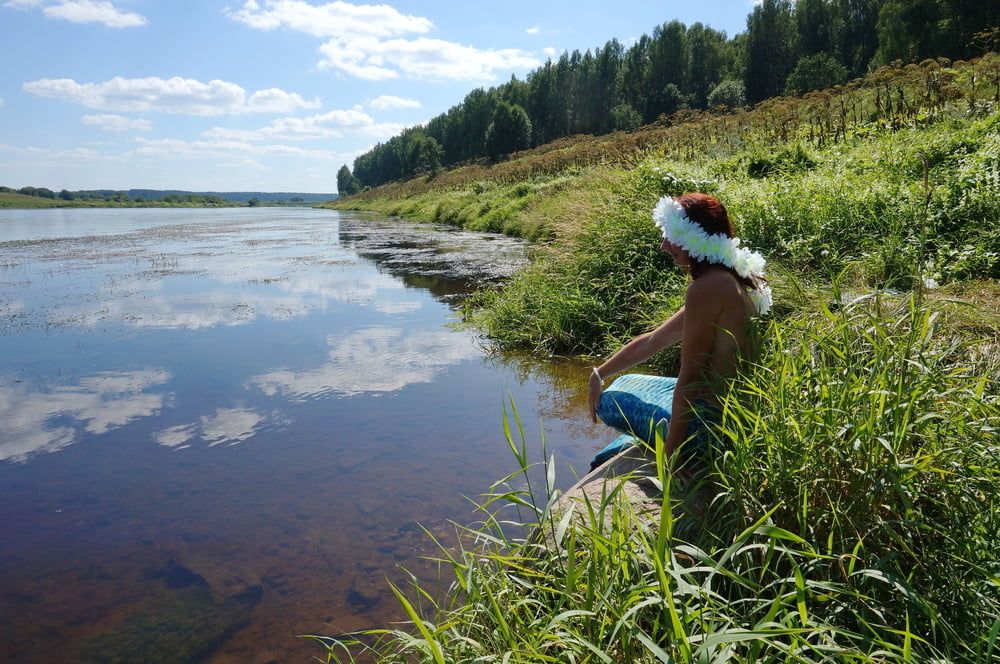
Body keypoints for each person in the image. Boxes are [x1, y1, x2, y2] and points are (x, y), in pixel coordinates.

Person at [587, 192, 771, 465]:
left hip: (712, 427)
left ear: (691, 238)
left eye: (669, 237)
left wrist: (669, 455)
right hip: (736, 413)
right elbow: (652, 341)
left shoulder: (705, 288)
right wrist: (599, 373)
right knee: (623, 380)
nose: (663, 246)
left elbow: (692, 377)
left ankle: (667, 445)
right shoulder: (732, 276)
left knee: (609, 400)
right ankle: (637, 440)